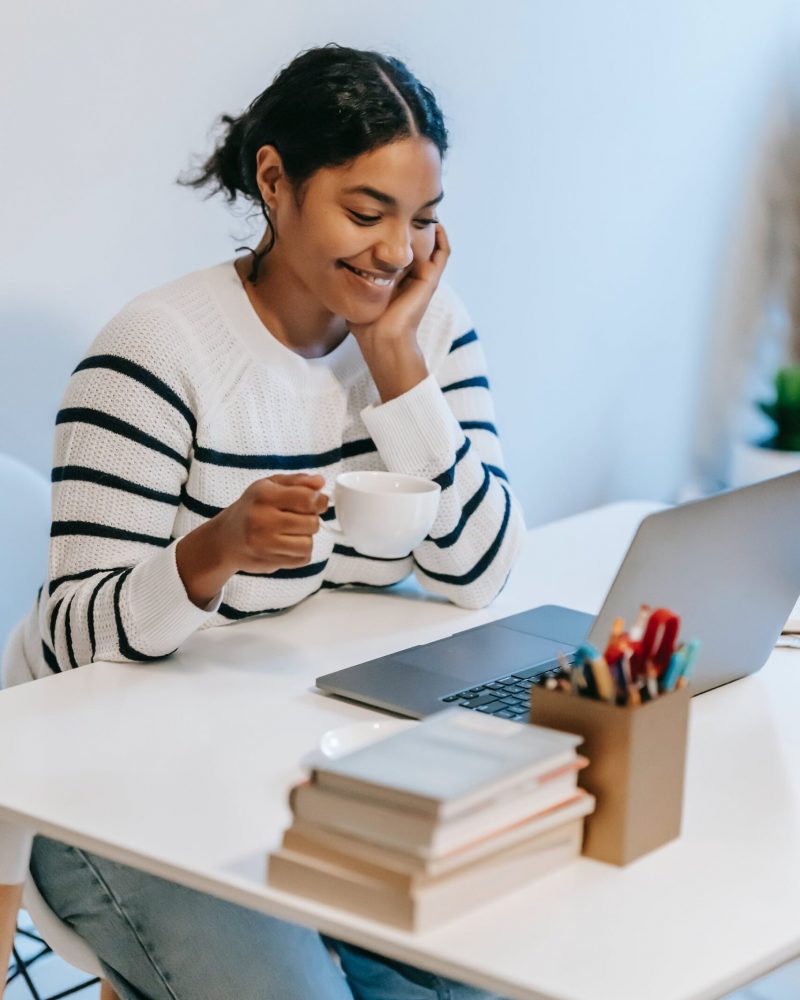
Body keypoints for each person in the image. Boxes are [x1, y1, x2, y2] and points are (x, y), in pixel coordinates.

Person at [2, 44, 524, 999]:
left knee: (495, 973)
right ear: (274, 181)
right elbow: (71, 640)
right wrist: (215, 551)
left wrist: (397, 362)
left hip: (306, 773)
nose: (397, 253)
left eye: (421, 221)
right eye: (365, 214)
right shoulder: (156, 354)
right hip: (113, 800)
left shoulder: (428, 329)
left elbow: (480, 569)